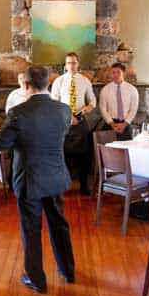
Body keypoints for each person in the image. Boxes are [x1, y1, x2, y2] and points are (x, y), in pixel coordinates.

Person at [0, 65, 75, 294]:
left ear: (26, 85)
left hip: (30, 180)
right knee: (59, 224)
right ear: (48, 84)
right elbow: (59, 136)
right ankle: (68, 271)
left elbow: (0, 144)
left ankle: (36, 280)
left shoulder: (19, 112)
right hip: (56, 177)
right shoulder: (64, 110)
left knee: (31, 229)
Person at [51, 52, 97, 195]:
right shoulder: (59, 81)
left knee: (85, 154)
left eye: (74, 62)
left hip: (81, 121)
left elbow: (93, 101)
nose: (71, 65)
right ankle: (61, 185)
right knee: (61, 155)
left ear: (78, 64)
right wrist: (68, 115)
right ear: (65, 65)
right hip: (63, 122)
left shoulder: (85, 81)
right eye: (69, 63)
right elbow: (54, 102)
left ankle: (84, 185)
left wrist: (86, 109)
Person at [99, 62, 139, 141]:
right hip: (110, 123)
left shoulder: (132, 89)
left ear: (123, 73)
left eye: (118, 72)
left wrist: (125, 124)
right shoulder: (105, 89)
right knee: (108, 149)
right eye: (113, 72)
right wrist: (111, 123)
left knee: (126, 150)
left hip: (126, 123)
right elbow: (102, 108)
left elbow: (133, 109)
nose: (115, 75)